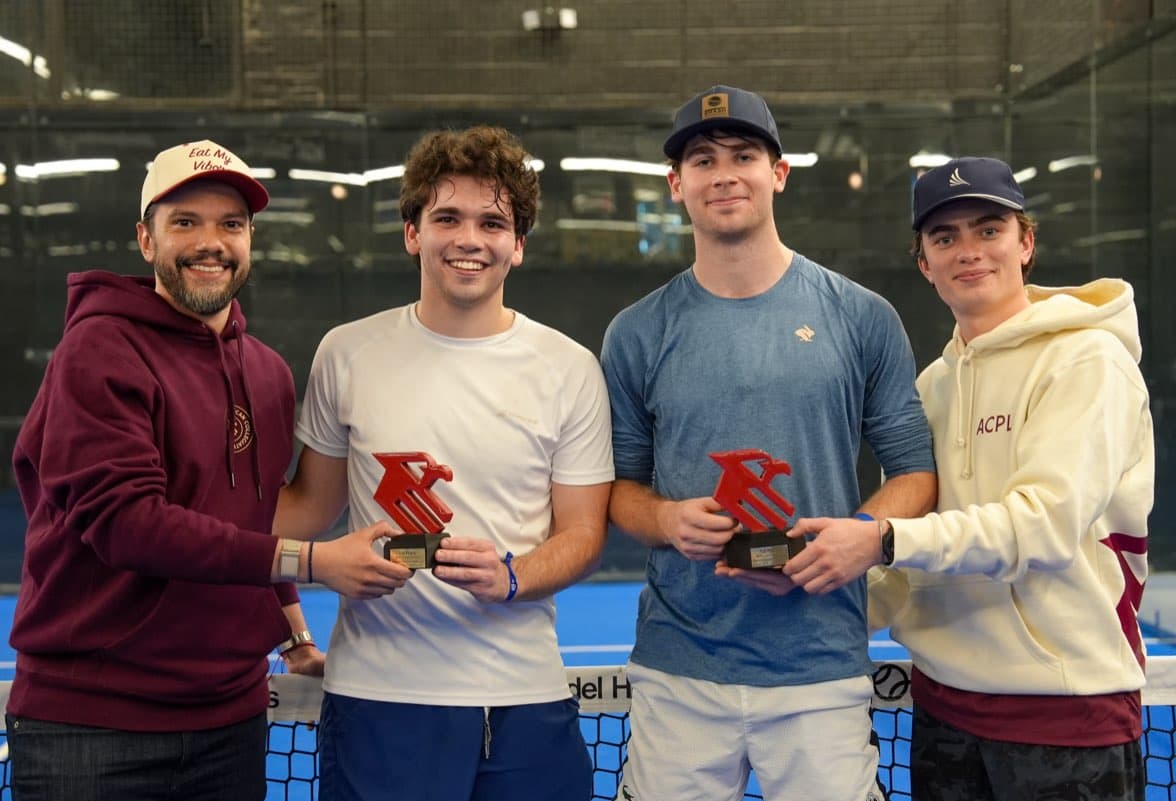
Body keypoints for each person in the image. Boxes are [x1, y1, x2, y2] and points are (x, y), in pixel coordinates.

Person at [6, 139, 410, 801]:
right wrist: (316, 560)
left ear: (250, 239)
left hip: (230, 719)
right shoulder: (98, 349)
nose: (210, 242)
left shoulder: (269, 374)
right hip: (89, 728)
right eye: (185, 222)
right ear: (145, 239)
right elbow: (127, 524)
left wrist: (295, 633)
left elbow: (248, 520)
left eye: (230, 224)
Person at [600, 85, 937, 801]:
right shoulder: (637, 332)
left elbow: (914, 470)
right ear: (677, 184)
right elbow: (618, 491)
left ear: (778, 173)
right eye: (702, 159)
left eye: (744, 154)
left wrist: (860, 535)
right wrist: (665, 519)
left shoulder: (861, 317)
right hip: (679, 666)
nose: (724, 173)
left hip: (819, 666)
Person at [789, 156, 1153, 800]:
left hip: (1067, 718)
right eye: (945, 237)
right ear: (924, 262)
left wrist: (878, 540)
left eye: (989, 229)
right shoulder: (932, 387)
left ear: (1026, 243)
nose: (969, 251)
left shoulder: (1088, 360)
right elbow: (909, 566)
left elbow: (1042, 527)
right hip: (945, 712)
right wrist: (806, 579)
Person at [272, 125, 614, 801]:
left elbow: (583, 534)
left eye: (492, 222)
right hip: (377, 701)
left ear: (517, 246)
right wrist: (188, 520)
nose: (468, 239)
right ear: (412, 232)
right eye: (447, 217)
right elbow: (305, 508)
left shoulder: (570, 368)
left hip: (526, 702)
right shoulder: (347, 353)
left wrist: (512, 576)